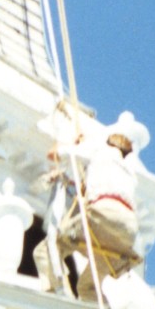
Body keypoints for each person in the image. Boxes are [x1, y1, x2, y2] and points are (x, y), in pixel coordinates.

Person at [40, 128, 142, 300]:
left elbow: (53, 154)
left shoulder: (98, 151)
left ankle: (56, 292)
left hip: (102, 218)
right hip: (126, 234)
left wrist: (72, 144)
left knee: (47, 249)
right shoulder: (130, 172)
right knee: (88, 287)